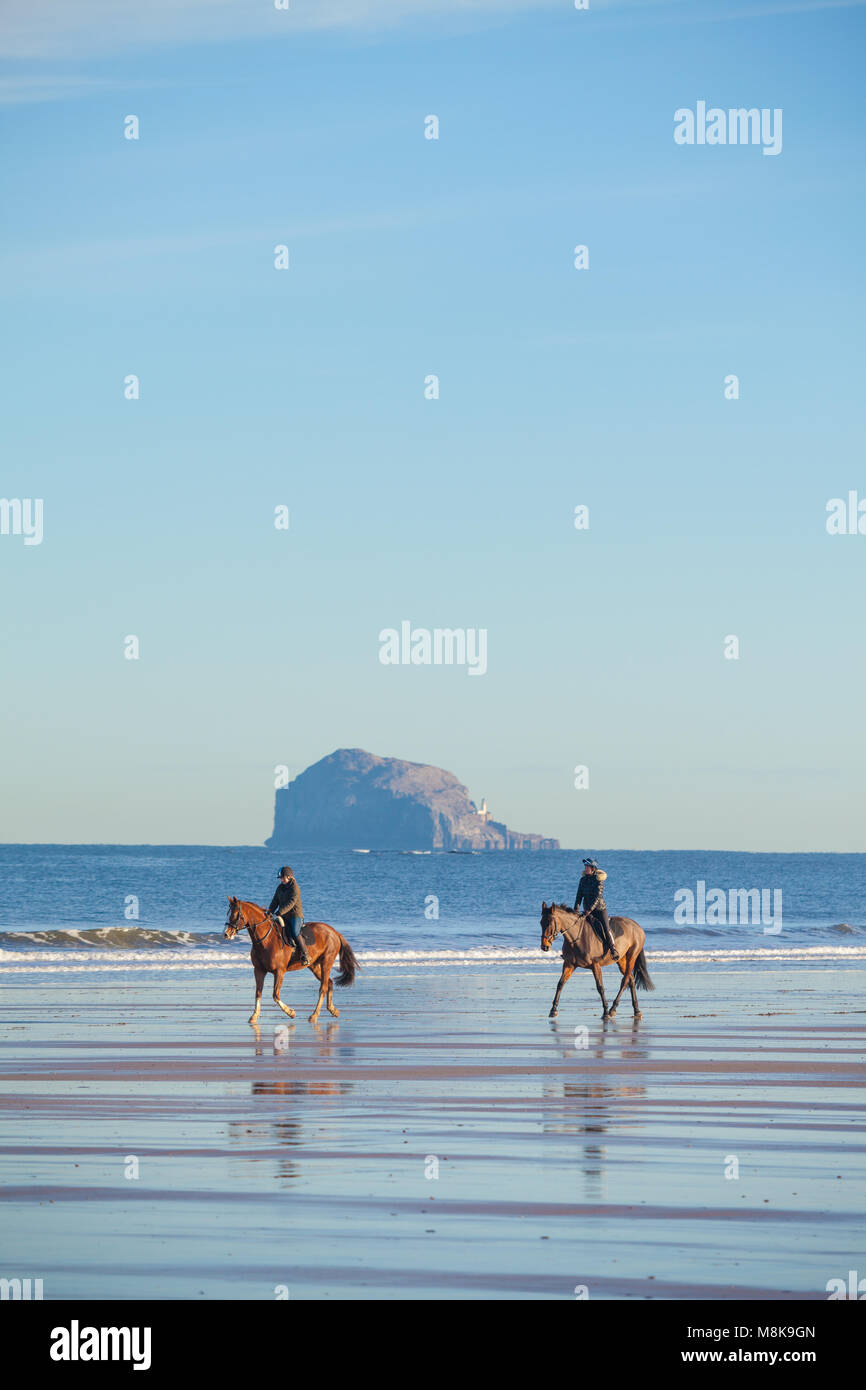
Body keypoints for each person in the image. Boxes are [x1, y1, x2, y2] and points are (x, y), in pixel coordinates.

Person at [574, 857, 620, 960]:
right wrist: (575, 910)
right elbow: (578, 896)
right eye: (585, 866)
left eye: (587, 867)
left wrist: (589, 910)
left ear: (593, 868)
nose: (585, 868)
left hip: (599, 910)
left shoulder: (598, 880)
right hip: (587, 911)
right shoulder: (582, 880)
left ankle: (613, 949)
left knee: (606, 928)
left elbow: (597, 897)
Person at [268, 866, 310, 966]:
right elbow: (275, 901)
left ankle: (305, 954)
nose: (281, 880)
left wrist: (279, 912)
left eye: (283, 878)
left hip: (295, 915)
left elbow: (291, 903)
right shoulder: (280, 887)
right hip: (283, 915)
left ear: (289, 877)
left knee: (295, 932)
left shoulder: (295, 888)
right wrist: (270, 912)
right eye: (280, 878)